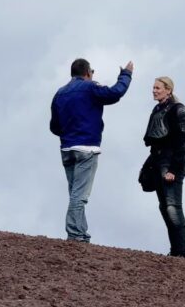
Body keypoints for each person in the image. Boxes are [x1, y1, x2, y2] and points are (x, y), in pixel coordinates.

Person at [50, 57, 134, 242]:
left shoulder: (60, 93)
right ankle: (75, 235)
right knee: (79, 196)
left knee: (74, 193)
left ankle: (81, 233)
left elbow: (54, 126)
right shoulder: (90, 88)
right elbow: (115, 93)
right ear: (88, 73)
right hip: (86, 148)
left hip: (66, 149)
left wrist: (68, 132)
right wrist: (126, 74)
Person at [143, 76, 185, 258]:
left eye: (158, 88)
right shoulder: (157, 109)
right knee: (164, 207)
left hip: (170, 162)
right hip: (158, 160)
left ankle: (182, 252)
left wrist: (174, 170)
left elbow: (182, 144)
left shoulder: (179, 110)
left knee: (173, 207)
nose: (154, 90)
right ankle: (175, 251)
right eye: (153, 87)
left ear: (168, 90)